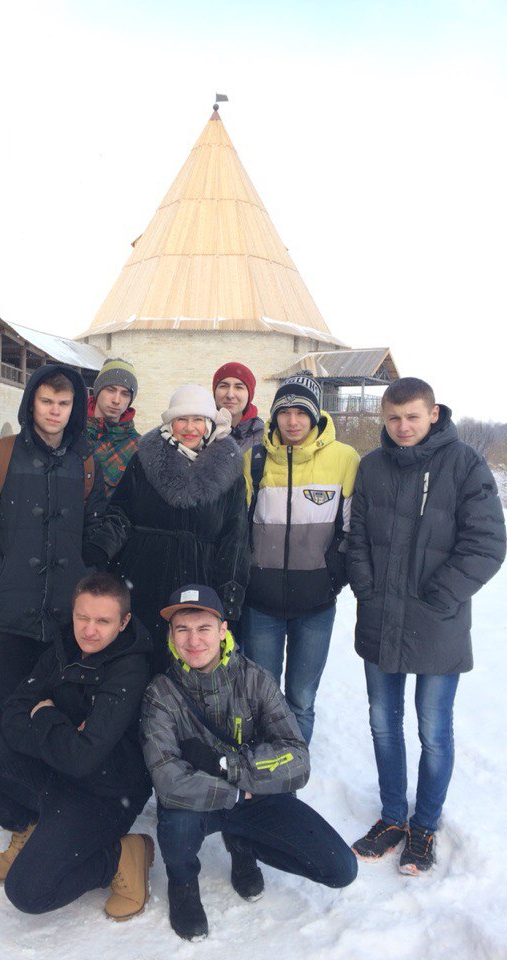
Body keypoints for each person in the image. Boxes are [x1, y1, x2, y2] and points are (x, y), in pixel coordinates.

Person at [348, 377, 505, 875]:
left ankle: (425, 825)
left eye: (412, 416)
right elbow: (356, 536)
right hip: (380, 618)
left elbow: (487, 543)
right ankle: (393, 817)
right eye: (393, 418)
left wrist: (441, 595)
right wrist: (366, 588)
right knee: (383, 723)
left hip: (438, 623)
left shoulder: (464, 464)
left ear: (433, 414)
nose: (402, 427)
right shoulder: (372, 467)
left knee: (434, 730)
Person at [140, 585, 357, 941]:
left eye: (203, 628)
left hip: (251, 790)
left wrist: (231, 767)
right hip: (205, 799)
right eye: (183, 629)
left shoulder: (256, 679)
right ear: (171, 634)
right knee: (176, 823)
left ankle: (242, 843)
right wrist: (235, 795)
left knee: (339, 868)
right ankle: (183, 883)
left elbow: (297, 758)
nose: (193, 640)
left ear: (222, 630)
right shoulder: (160, 694)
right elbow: (167, 777)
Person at [0, 573, 154, 920]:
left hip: (103, 795)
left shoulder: (129, 670)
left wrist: (44, 714)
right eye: (82, 617)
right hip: (54, 770)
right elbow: (14, 713)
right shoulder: (66, 646)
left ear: (123, 622)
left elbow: (82, 758)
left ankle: (119, 858)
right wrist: (65, 735)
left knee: (28, 892)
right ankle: (31, 828)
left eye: (103, 621)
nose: (89, 630)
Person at [0, 364, 107, 737]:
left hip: (66, 609)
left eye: (63, 403)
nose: (55, 411)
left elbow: (96, 527)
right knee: (6, 697)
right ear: (32, 403)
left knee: (57, 700)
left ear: (75, 407)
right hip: (8, 607)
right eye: (47, 401)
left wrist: (84, 575)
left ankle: (43, 769)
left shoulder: (86, 463)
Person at [91, 384, 250, 673]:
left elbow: (235, 539)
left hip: (200, 581)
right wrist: (100, 549)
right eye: (181, 419)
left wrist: (229, 594)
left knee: (189, 660)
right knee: (137, 659)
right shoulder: (144, 461)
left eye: (198, 419)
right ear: (170, 422)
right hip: (142, 574)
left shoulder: (230, 472)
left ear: (209, 423)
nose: (189, 428)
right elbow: (121, 511)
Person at [241, 372, 360, 745]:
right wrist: (249, 576)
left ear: (316, 415)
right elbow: (239, 527)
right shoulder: (254, 459)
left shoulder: (345, 459)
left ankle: (293, 766)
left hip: (315, 606)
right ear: (274, 415)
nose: (292, 421)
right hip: (261, 606)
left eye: (301, 413)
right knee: (262, 697)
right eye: (284, 412)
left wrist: (331, 577)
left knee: (301, 699)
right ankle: (264, 766)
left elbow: (351, 529)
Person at [87, 358, 140, 498]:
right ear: (97, 390)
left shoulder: (137, 448)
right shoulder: (70, 431)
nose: (116, 400)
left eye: (125, 394)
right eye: (111, 390)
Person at [212, 361, 264, 452]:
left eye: (239, 387)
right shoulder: (199, 431)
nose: (230, 395)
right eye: (223, 386)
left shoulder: (265, 437)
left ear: (250, 394)